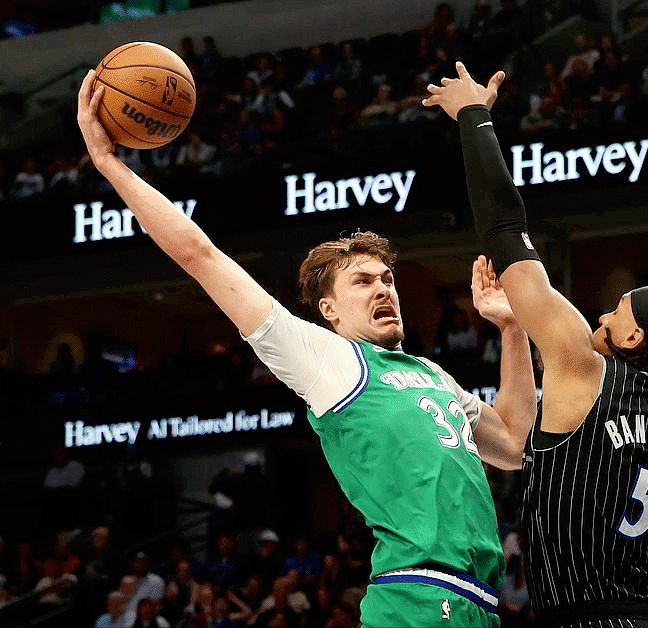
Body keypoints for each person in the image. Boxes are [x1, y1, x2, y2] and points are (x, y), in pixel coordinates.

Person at [77, 69, 537, 628]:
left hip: (480, 603)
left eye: (387, 279)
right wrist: (110, 164)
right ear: (329, 311)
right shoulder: (328, 361)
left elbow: (513, 444)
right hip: (418, 597)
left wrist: (512, 330)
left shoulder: (433, 374)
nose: (383, 289)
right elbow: (201, 255)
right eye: (362, 282)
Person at [424, 61, 648, 628]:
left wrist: (473, 117)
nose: (604, 313)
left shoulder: (583, 366)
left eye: (618, 308)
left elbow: (505, 228)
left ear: (633, 337)